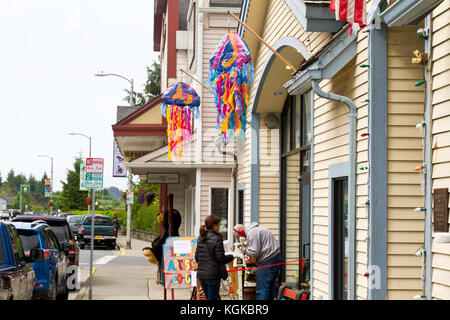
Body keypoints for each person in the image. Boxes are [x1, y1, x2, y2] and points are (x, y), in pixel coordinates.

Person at [233, 223, 281, 300]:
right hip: (275, 258)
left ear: (241, 232)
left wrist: (243, 249)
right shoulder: (256, 229)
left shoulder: (252, 233)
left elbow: (253, 253)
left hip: (267, 260)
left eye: (237, 236)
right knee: (270, 288)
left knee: (262, 289)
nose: (238, 238)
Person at [195, 215, 233, 300]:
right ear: (214, 225)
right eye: (219, 224)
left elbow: (197, 257)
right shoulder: (217, 238)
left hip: (201, 274)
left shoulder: (200, 237)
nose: (220, 226)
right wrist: (231, 257)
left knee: (209, 298)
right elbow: (221, 258)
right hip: (213, 274)